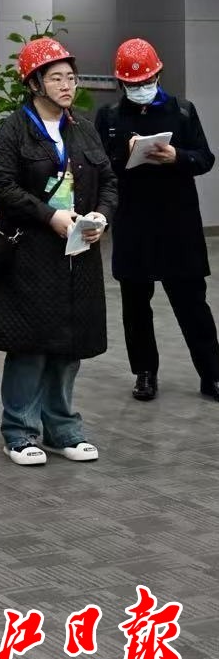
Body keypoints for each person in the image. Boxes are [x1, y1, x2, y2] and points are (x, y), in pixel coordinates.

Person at [0, 39, 115, 467]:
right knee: (30, 344)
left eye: (71, 77)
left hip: (78, 254)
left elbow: (109, 180)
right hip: (30, 254)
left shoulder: (83, 128)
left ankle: (62, 428)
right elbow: (0, 184)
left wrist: (102, 215)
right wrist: (48, 215)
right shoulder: (14, 129)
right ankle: (19, 431)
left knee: (69, 344)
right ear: (34, 83)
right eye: (56, 78)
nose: (67, 85)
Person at [95, 37, 219, 402]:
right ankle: (145, 373)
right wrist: (125, 155)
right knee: (135, 306)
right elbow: (99, 166)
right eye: (132, 83)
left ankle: (212, 374)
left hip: (179, 223)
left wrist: (177, 157)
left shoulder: (183, 111)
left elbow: (205, 158)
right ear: (121, 83)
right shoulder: (110, 117)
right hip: (133, 223)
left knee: (192, 304)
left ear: (158, 74)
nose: (141, 88)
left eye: (146, 81)